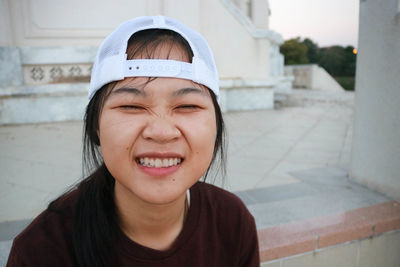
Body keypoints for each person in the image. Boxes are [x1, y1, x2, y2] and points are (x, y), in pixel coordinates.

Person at [7, 15, 259, 267]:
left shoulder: (232, 221)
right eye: (131, 105)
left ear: (216, 125)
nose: (161, 132)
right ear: (96, 125)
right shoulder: (41, 251)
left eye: (187, 105)